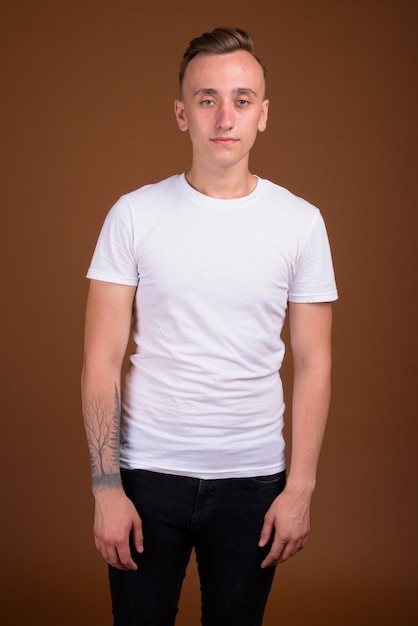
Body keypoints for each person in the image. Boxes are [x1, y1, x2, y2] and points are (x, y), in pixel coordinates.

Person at [81, 26, 338, 626]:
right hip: (147, 477)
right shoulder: (134, 215)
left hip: (254, 482)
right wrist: (105, 487)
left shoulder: (300, 224)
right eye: (207, 99)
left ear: (263, 114)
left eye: (242, 100)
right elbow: (100, 361)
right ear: (181, 113)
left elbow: (315, 363)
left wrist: (299, 489)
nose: (225, 116)